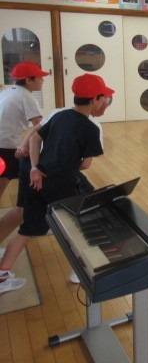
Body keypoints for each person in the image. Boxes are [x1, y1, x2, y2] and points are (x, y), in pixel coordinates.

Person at [0, 74, 108, 293]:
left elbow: (35, 139)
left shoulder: (60, 115)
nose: (104, 101)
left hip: (37, 179)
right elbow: (85, 165)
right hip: (63, 183)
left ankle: (2, 274)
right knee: (81, 222)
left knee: (27, 229)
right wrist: (66, 164)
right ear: (95, 99)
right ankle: (82, 270)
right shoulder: (91, 128)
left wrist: (35, 168)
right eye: (103, 97)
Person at [0, 62, 48, 254]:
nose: (43, 81)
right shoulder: (25, 95)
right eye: (40, 78)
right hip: (5, 149)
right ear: (28, 80)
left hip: (4, 146)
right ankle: (33, 220)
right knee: (23, 192)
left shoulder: (8, 91)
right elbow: (40, 125)